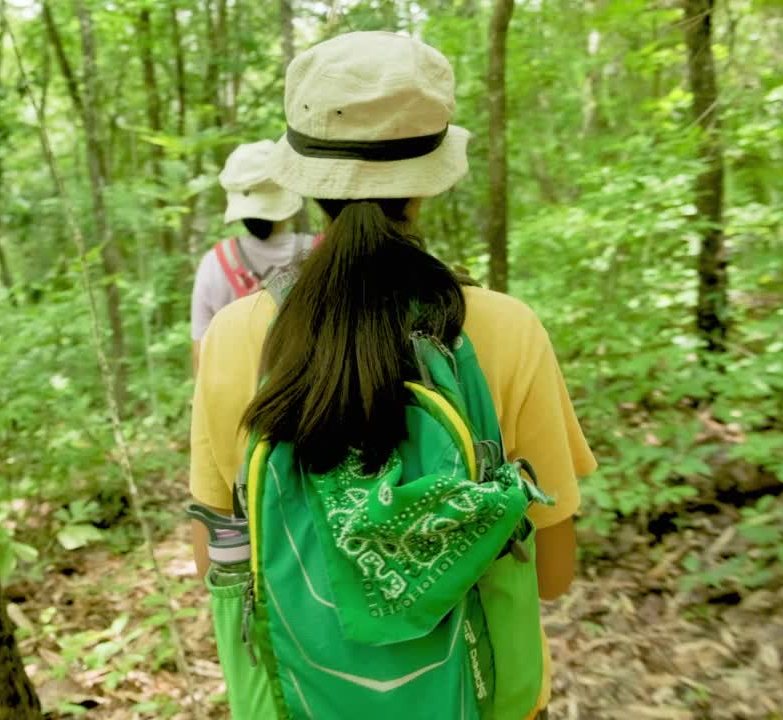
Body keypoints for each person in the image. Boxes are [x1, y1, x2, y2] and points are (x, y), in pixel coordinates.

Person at [190, 31, 595, 717]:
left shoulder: (234, 337)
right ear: (433, 172)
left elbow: (218, 564)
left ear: (305, 177)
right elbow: (552, 577)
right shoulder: (505, 329)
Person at [190, 140, 315, 373]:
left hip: (242, 405)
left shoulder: (215, 263)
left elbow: (201, 354)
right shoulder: (320, 254)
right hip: (313, 402)